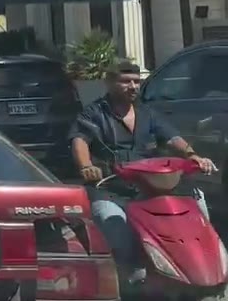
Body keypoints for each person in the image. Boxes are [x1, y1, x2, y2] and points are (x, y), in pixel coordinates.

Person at [68, 61, 215, 286]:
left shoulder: (147, 113)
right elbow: (80, 140)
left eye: (136, 82)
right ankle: (129, 279)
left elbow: (172, 136)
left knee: (197, 200)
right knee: (115, 225)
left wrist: (192, 155)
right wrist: (87, 166)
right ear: (109, 83)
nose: (133, 86)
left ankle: (202, 258)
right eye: (126, 81)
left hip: (150, 187)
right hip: (111, 188)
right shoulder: (93, 114)